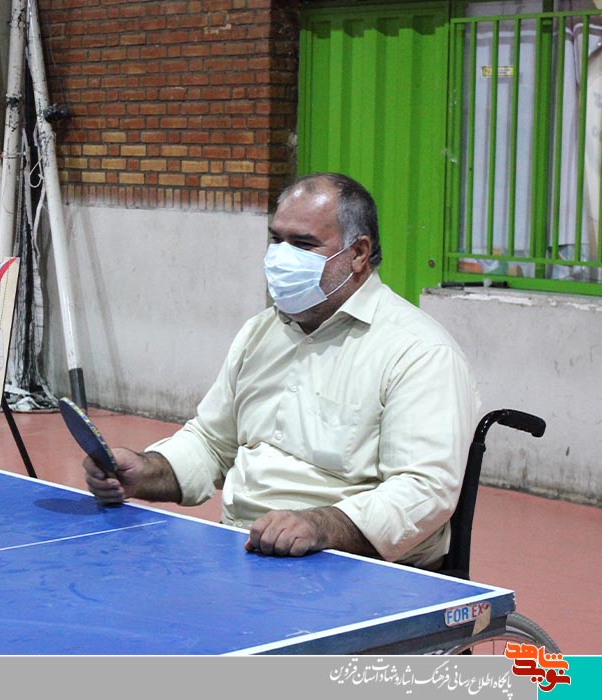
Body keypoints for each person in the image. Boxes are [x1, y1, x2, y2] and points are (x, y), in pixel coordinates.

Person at [82, 172, 480, 569]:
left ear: (358, 253)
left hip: (352, 568)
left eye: (303, 244)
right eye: (277, 240)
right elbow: (212, 442)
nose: (282, 257)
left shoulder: (419, 352)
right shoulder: (260, 333)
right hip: (246, 551)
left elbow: (424, 491)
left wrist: (321, 526)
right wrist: (147, 470)